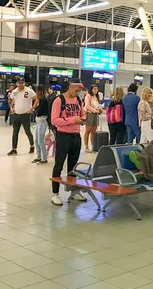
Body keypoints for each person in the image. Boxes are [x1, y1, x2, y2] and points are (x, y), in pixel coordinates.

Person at [50, 78, 86, 206]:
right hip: (63, 136)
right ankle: (55, 193)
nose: (77, 93)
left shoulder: (78, 100)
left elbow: (81, 114)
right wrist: (72, 120)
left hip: (76, 136)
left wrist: (82, 118)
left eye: (79, 91)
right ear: (70, 87)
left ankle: (73, 191)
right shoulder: (59, 100)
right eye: (76, 90)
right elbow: (54, 120)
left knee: (73, 167)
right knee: (59, 165)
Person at [8, 79, 37, 156]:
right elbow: (10, 100)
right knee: (15, 132)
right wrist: (11, 108)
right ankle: (14, 149)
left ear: (24, 83)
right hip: (16, 114)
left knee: (27, 131)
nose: (20, 85)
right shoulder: (14, 91)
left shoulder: (29, 91)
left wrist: (32, 108)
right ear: (17, 83)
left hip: (25, 115)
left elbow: (36, 99)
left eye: (22, 83)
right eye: (19, 83)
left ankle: (32, 146)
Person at [32, 86, 49, 164]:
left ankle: (44, 158)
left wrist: (36, 110)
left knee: (41, 141)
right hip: (38, 122)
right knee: (36, 140)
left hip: (42, 122)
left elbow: (39, 112)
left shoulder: (44, 101)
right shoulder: (39, 100)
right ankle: (38, 156)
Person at [83, 85, 103, 153]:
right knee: (88, 131)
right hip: (89, 114)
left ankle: (93, 146)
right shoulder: (88, 96)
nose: (96, 90)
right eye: (94, 89)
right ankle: (86, 146)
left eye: (97, 89)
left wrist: (100, 109)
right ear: (91, 89)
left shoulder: (96, 97)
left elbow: (98, 105)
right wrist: (95, 110)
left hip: (95, 114)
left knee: (93, 131)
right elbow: (87, 106)